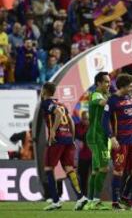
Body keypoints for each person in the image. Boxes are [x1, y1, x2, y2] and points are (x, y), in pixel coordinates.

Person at [40, 82, 87, 211]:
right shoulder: (61, 104)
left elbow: (59, 115)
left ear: (44, 91)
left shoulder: (46, 103)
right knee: (69, 168)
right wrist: (71, 138)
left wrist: (53, 131)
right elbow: (71, 120)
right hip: (67, 139)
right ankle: (81, 197)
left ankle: (56, 200)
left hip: (57, 140)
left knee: (49, 168)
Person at [102, 73, 132, 210]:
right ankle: (115, 202)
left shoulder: (129, 98)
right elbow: (104, 121)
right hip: (120, 141)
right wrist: (111, 137)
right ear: (122, 86)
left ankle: (125, 196)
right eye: (130, 86)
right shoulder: (112, 101)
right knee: (118, 171)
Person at [84, 72, 111, 210]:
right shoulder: (96, 94)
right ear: (98, 83)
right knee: (104, 168)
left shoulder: (106, 95)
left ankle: (90, 201)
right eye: (106, 82)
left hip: (101, 137)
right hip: (96, 136)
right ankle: (95, 200)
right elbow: (102, 102)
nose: (108, 84)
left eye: (109, 81)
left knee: (96, 170)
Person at [75, 111, 91, 197]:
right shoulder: (77, 126)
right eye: (84, 119)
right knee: (83, 178)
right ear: (81, 119)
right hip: (82, 156)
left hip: (93, 156)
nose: (86, 121)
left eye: (88, 119)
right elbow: (79, 136)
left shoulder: (93, 127)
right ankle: (83, 196)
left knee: (94, 177)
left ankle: (93, 197)